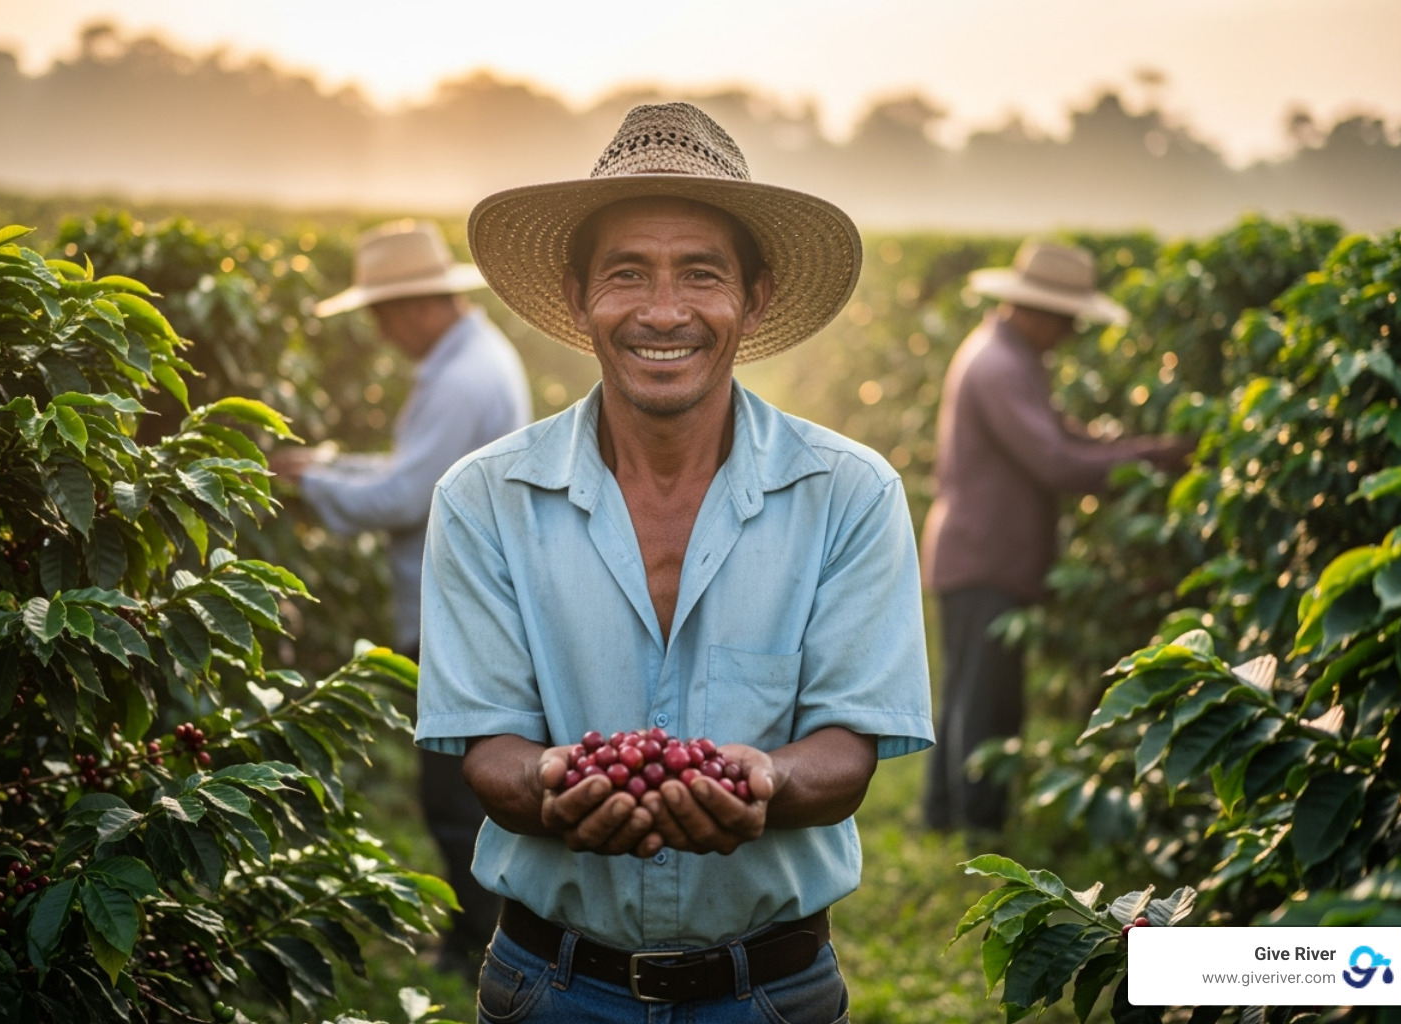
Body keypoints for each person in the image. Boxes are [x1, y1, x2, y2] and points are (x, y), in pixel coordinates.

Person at [413, 102, 933, 1023]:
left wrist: (767, 782)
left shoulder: (849, 493)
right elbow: (487, 744)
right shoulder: (483, 497)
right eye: (627, 275)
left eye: (701, 274)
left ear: (754, 298)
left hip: (769, 991)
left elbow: (848, 751)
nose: (663, 311)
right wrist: (547, 785)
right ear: (579, 298)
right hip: (550, 987)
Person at [268, 219, 531, 971]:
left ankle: (481, 943)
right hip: (470, 601)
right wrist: (331, 462)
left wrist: (311, 485)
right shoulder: (472, 360)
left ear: (416, 305)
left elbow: (406, 495)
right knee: (461, 778)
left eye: (382, 315)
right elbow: (416, 467)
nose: (382, 333)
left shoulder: (459, 378)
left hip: (457, 608)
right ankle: (486, 932)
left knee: (453, 789)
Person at [920, 240, 1195, 833]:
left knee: (969, 692)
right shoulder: (999, 365)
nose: (1070, 331)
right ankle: (977, 823)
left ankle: (945, 816)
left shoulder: (1008, 357)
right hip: (984, 556)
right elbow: (1053, 461)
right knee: (988, 700)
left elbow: (1061, 436)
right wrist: (1147, 462)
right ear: (1036, 310)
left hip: (977, 553)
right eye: (1066, 317)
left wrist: (1133, 448)